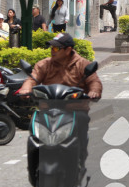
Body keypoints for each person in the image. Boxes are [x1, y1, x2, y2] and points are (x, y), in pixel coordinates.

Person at [18, 33, 103, 171]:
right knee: (34, 127)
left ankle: (79, 159)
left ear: (68, 50)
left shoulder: (82, 64)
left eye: (56, 48)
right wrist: (25, 89)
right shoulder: (44, 64)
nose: (52, 51)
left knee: (82, 121)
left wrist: (94, 91)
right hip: (48, 109)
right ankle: (34, 163)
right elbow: (32, 79)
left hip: (74, 110)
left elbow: (94, 82)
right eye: (51, 47)